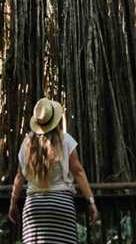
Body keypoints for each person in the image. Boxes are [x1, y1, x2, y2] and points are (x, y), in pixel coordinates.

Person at [9, 97, 99, 243]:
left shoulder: (27, 143)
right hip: (62, 205)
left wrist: (13, 203)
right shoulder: (67, 140)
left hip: (34, 207)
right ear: (55, 120)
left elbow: (20, 176)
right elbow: (79, 172)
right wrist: (91, 201)